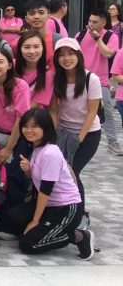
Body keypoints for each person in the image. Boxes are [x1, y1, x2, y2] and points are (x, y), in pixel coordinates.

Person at [0, 109, 95, 260]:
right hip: (50, 206)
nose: (29, 130)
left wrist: (34, 221)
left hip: (66, 208)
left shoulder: (50, 153)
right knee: (12, 217)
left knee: (29, 244)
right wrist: (28, 170)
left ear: (46, 128)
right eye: (25, 126)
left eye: (34, 126)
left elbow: (46, 190)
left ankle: (78, 236)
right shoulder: (38, 148)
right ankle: (41, 230)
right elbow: (37, 178)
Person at [49, 38, 101, 229]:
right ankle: (64, 211)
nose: (66, 58)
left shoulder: (90, 79)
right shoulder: (56, 79)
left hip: (88, 134)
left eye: (70, 53)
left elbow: (92, 112)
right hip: (63, 132)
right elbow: (54, 110)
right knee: (61, 174)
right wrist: (54, 136)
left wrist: (79, 139)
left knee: (72, 172)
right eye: (61, 55)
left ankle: (80, 216)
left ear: (78, 54)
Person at [75, 8, 120, 155]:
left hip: (100, 81)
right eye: (89, 21)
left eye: (95, 22)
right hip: (80, 79)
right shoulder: (80, 35)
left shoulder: (110, 36)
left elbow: (108, 53)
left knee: (106, 112)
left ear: (104, 23)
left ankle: (112, 143)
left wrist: (97, 39)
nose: (91, 24)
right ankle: (77, 138)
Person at [0, 47, 31, 168]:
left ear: (9, 65)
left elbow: (21, 119)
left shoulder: (20, 86)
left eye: (0, 62)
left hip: (18, 137)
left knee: (13, 173)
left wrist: (8, 149)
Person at [15, 31, 54, 109]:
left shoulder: (48, 74)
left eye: (36, 47)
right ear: (20, 49)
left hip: (30, 118)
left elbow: (36, 104)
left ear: (43, 48)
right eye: (27, 47)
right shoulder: (10, 66)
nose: (32, 51)